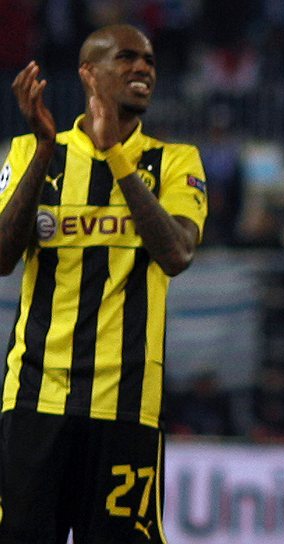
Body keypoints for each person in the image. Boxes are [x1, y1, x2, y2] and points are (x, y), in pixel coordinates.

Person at [0, 24, 207, 542]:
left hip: (128, 401)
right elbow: (2, 257)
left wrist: (115, 154)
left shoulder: (175, 160)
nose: (143, 68)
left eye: (150, 60)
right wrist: (44, 150)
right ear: (89, 73)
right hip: (35, 394)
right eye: (127, 57)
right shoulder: (30, 151)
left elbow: (177, 254)